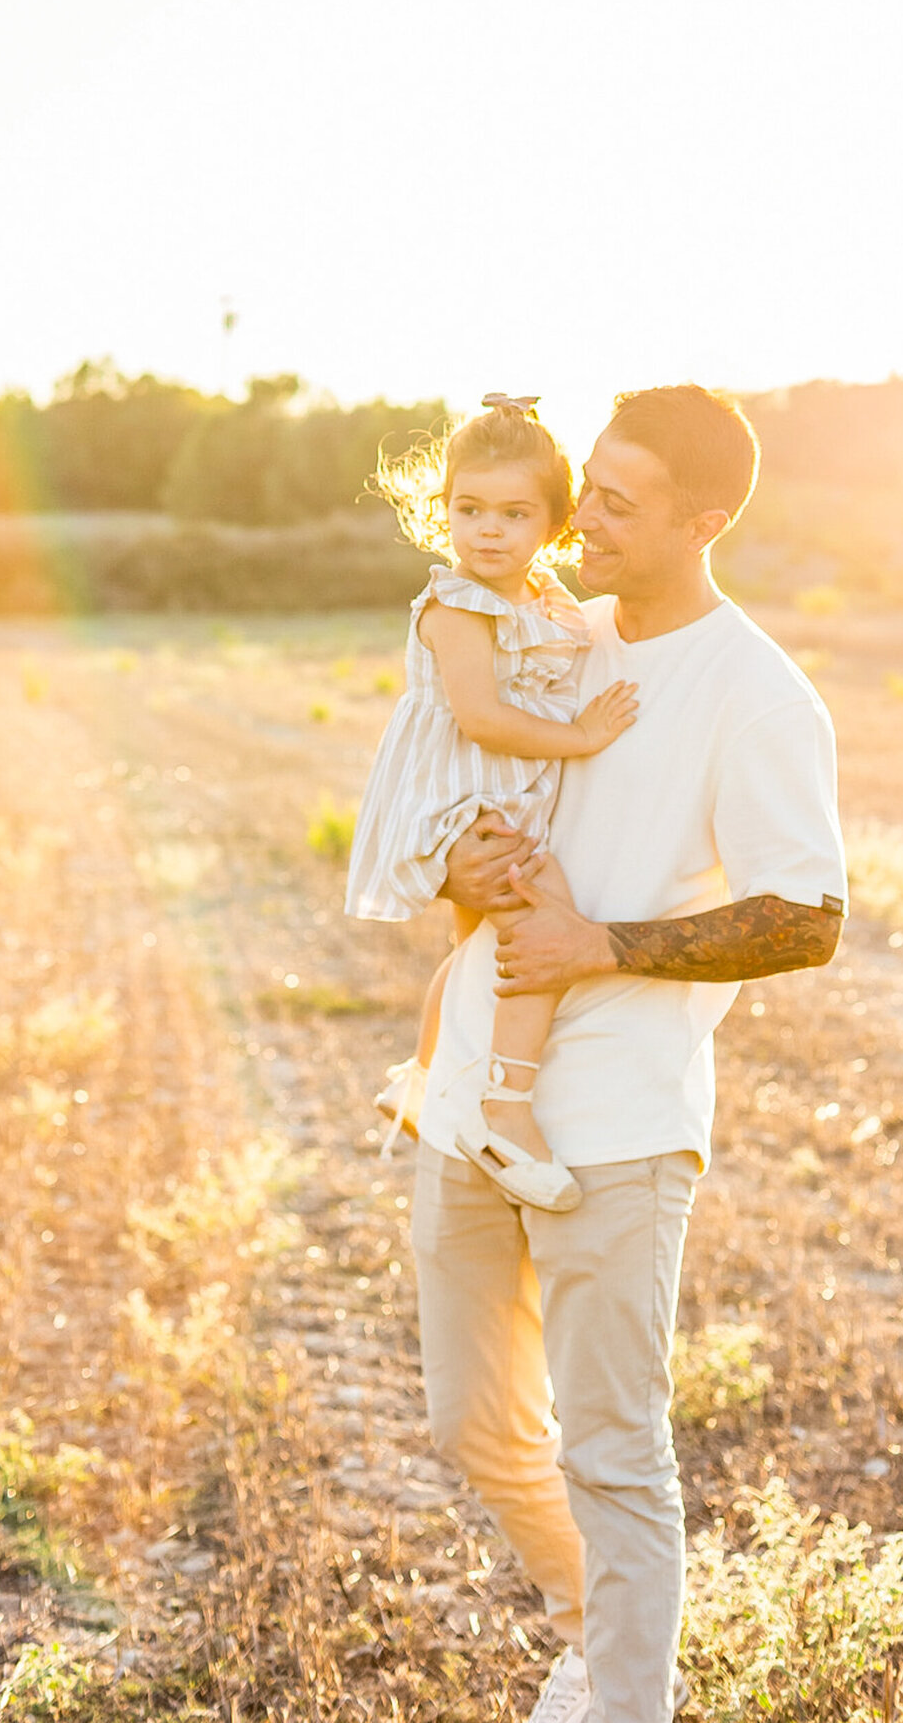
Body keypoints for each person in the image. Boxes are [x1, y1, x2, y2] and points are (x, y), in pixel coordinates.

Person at [409, 384, 848, 1723]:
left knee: (612, 1456)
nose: (576, 518)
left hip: (615, 1134)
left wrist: (604, 946)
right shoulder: (549, 637)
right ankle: (596, 1640)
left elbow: (808, 918)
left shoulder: (756, 695)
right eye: (584, 485)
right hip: (471, 1105)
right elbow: (474, 837)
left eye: (616, 502)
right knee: (472, 1428)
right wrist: (460, 870)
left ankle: (625, 1701)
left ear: (704, 521)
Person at [346, 394, 639, 1212]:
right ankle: (506, 1111)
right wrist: (581, 736)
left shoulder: (542, 602)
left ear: (554, 525)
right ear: (441, 511)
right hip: (463, 794)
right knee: (542, 927)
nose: (488, 530)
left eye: (514, 513)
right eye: (468, 509)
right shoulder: (458, 605)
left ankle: (424, 1075)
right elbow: (479, 718)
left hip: (501, 789)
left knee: (474, 938)